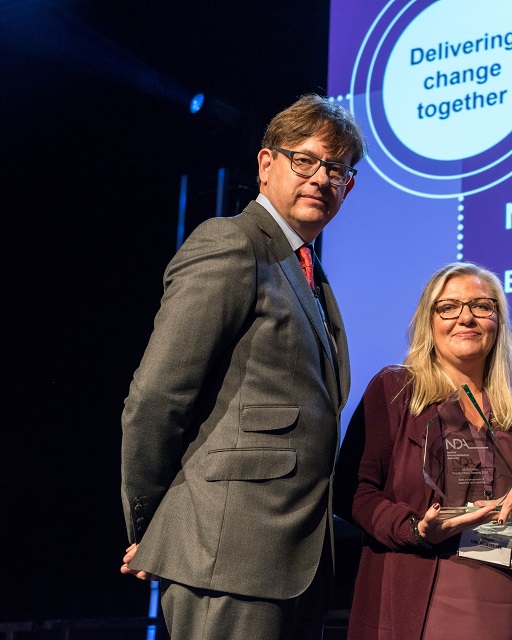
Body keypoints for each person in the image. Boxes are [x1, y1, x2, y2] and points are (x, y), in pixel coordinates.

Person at [119, 93, 365, 639]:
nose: (322, 179)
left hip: (292, 564)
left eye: (339, 170)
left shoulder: (308, 270)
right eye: (306, 160)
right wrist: (154, 525)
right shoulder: (231, 242)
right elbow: (157, 398)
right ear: (266, 163)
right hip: (226, 555)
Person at [334, 262, 512, 640]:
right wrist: (415, 529)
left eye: (481, 306)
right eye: (449, 307)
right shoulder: (394, 391)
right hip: (424, 595)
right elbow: (351, 491)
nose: (466, 318)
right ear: (429, 321)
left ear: (498, 322)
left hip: (511, 599)